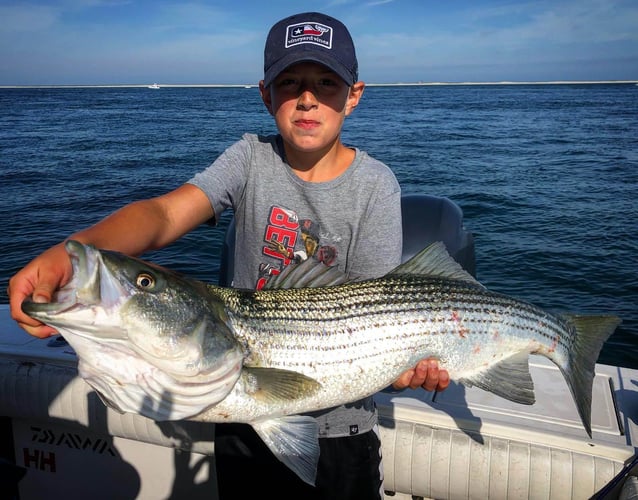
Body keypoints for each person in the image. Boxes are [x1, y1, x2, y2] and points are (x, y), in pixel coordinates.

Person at [8, 11, 449, 500]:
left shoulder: (376, 185)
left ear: (354, 95)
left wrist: (404, 362)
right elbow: (163, 214)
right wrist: (75, 253)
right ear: (265, 94)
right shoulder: (249, 159)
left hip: (343, 432)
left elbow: (381, 306)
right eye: (290, 82)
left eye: (327, 83)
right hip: (238, 418)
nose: (307, 98)